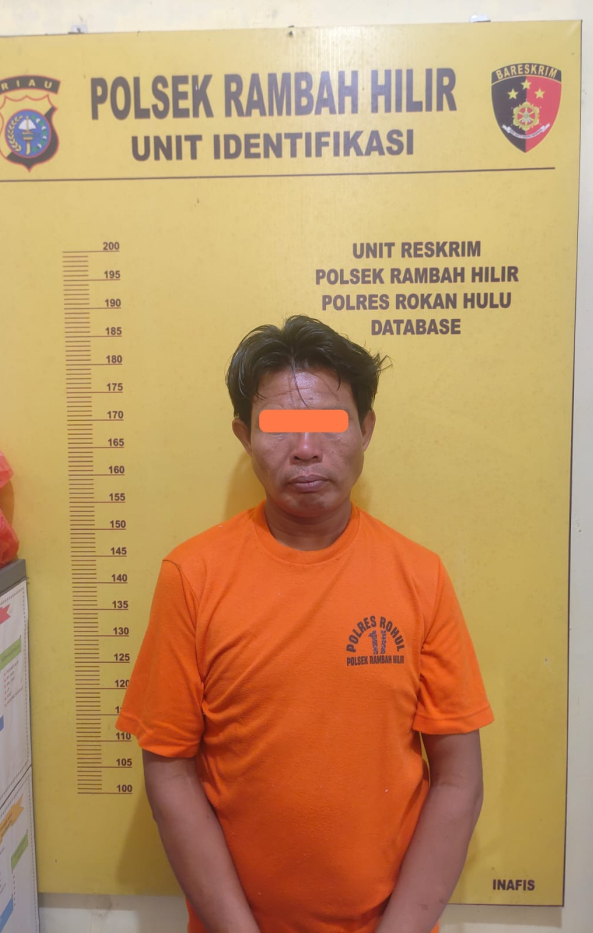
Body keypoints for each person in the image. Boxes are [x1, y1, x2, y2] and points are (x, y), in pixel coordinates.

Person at [116, 315, 494, 933]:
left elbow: (458, 781)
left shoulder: (419, 576)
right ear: (244, 436)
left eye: (330, 424)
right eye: (277, 427)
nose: (306, 449)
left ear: (366, 428)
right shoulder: (193, 576)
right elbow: (170, 770)